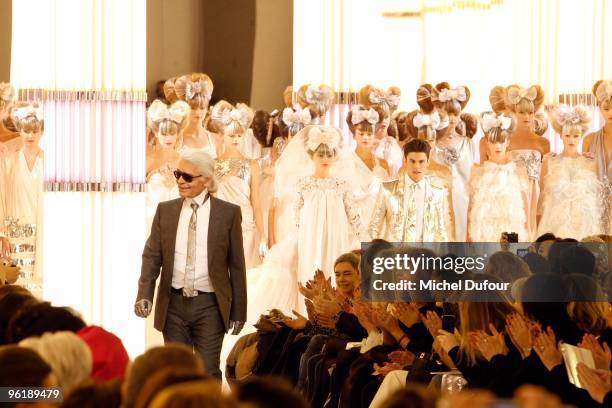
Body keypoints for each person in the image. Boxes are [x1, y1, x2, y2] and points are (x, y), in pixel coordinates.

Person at [134, 148, 247, 379]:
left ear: (206, 179)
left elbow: (236, 265)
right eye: (177, 174)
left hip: (211, 306)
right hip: (173, 304)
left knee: (207, 371)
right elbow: (151, 256)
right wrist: (144, 294)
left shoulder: (228, 214)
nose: (180, 181)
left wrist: (239, 310)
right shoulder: (165, 211)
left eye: (187, 176)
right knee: (176, 373)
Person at [211, 102, 266, 268]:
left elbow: (256, 204)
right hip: (219, 227)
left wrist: (263, 236)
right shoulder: (212, 165)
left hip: (246, 227)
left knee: (244, 275)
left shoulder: (252, 165)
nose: (236, 139)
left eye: (239, 136)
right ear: (222, 135)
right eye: (231, 135)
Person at [537, 105, 603, 239]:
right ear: (561, 135)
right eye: (567, 135)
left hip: (583, 223)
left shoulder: (590, 162)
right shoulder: (550, 162)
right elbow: (542, 197)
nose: (571, 140)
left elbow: (595, 200)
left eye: (575, 136)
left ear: (581, 136)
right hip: (554, 223)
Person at [0, 102, 45, 296]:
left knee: (37, 289)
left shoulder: (49, 161)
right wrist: (3, 233)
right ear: (19, 130)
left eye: (34, 131)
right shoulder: (9, 160)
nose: (30, 135)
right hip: (14, 235)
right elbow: (1, 195)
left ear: (41, 131)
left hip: (41, 234)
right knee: (16, 290)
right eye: (26, 131)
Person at [369, 138, 451, 242]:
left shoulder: (437, 193)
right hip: (394, 256)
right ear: (405, 161)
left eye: (421, 162)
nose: (417, 166)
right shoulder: (387, 190)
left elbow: (441, 232)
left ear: (428, 162)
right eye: (412, 161)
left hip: (425, 256)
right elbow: (373, 228)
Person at [468, 112, 529, 242]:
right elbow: (471, 209)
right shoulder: (478, 173)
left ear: (507, 142)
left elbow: (525, 210)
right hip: (484, 233)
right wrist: (468, 239)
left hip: (512, 230)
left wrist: (528, 234)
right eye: (493, 141)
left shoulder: (518, 172)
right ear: (487, 143)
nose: (497, 145)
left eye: (501, 141)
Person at [583, 80, 612, 234]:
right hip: (595, 207)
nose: (610, 113)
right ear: (599, 109)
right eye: (606, 108)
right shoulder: (589, 139)